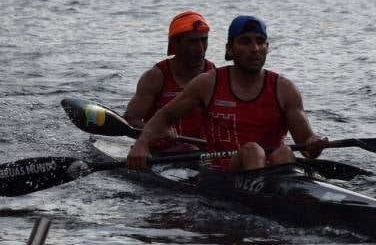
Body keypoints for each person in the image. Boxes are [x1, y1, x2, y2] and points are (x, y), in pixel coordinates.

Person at [127, 15, 327, 171]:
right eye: (245, 42)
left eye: (260, 42)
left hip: (272, 169)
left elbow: (306, 146)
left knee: (283, 153)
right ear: (230, 50)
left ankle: (286, 198)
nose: (255, 48)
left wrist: (313, 143)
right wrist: (142, 144)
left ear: (267, 48)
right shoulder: (208, 82)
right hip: (221, 171)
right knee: (252, 150)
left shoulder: (286, 89)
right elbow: (164, 115)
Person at [123, 10, 216, 142]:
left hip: (199, 151)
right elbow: (130, 119)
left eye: (204, 40)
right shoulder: (155, 77)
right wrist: (156, 132)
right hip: (160, 152)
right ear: (174, 44)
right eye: (192, 42)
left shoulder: (213, 74)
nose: (200, 49)